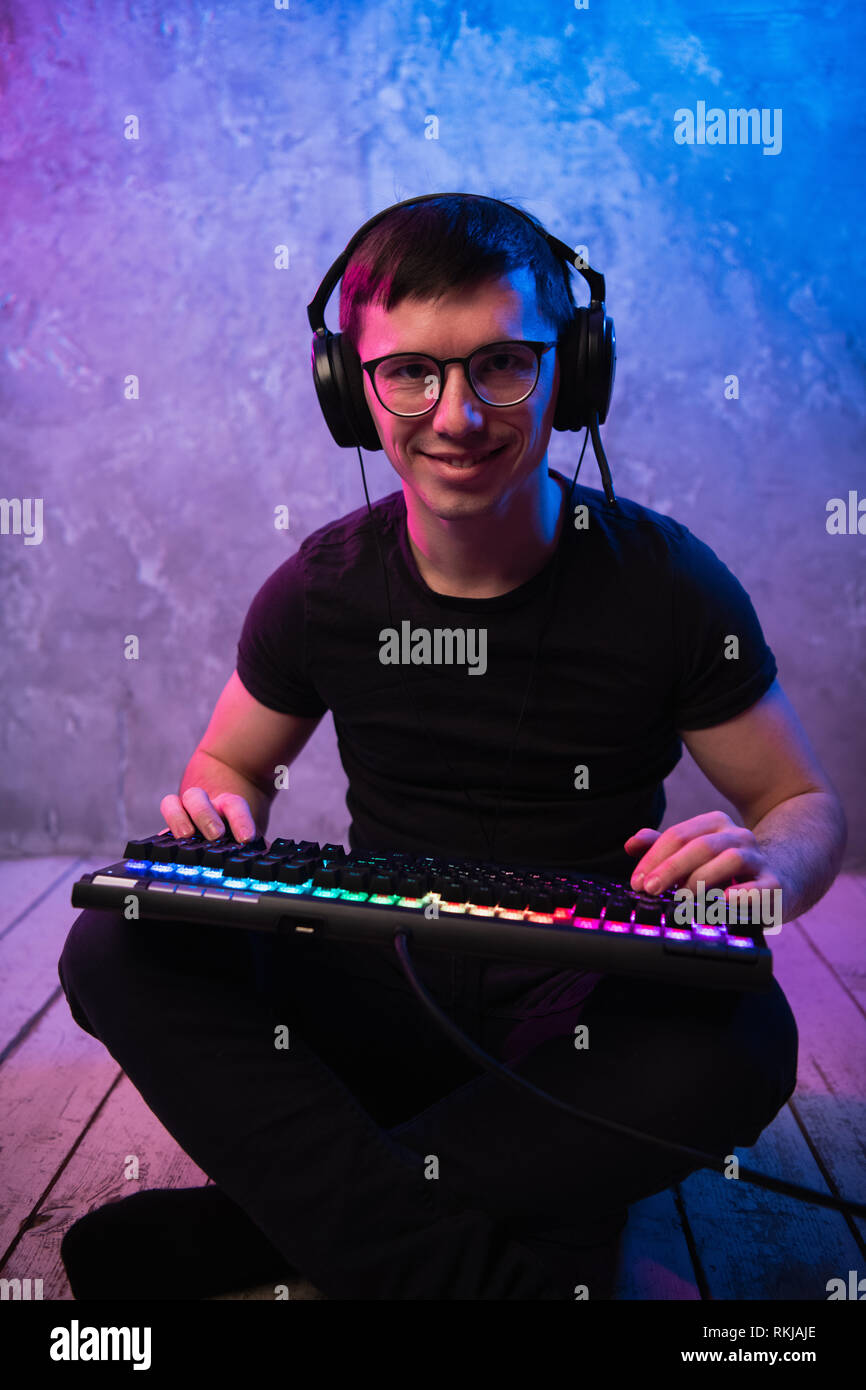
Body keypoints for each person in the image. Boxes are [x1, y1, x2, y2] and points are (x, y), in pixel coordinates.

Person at [58, 194, 845, 1301]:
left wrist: (771, 866)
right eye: (409, 373)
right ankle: (493, 1272)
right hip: (375, 994)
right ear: (349, 388)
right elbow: (227, 768)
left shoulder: (667, 583)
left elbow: (800, 800)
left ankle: (283, 1230)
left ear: (571, 368)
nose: (457, 415)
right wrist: (215, 812)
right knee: (114, 946)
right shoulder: (319, 587)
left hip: (582, 1010)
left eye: (501, 367)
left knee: (743, 1034)